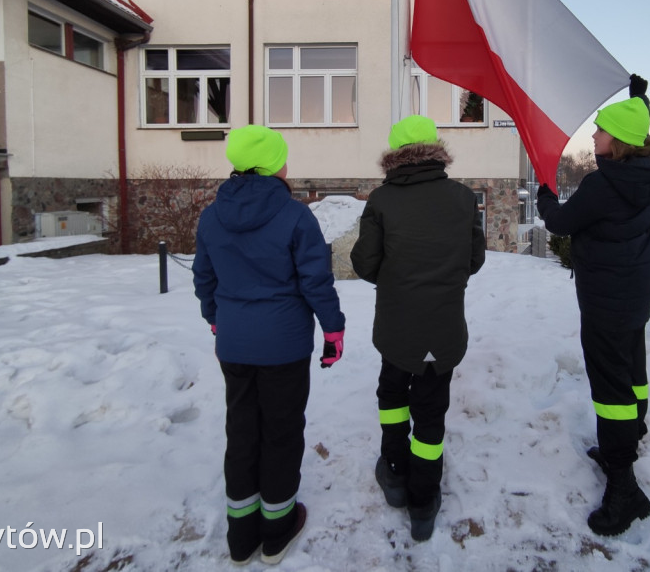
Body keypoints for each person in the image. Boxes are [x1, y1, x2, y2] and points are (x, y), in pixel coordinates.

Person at [193, 125, 346, 566]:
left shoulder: (211, 215)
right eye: (283, 158)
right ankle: (277, 530)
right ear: (273, 164)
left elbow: (205, 278)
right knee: (281, 432)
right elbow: (316, 282)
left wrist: (215, 319)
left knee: (242, 430)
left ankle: (241, 537)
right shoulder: (296, 216)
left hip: (236, 344)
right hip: (284, 347)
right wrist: (332, 331)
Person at [535, 74, 650, 537]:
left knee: (611, 388)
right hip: (635, 291)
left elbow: (561, 223)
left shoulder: (602, 185)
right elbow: (642, 127)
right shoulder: (649, 174)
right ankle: (633, 433)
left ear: (619, 142)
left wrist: (545, 196)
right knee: (632, 364)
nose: (593, 135)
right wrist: (638, 100)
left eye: (600, 129)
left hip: (606, 299)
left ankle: (623, 485)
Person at [350, 115, 486, 542]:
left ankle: (393, 473)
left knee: (392, 392)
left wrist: (397, 278)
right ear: (436, 150)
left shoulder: (382, 200)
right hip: (443, 327)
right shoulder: (463, 198)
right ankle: (424, 501)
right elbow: (474, 260)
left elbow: (364, 264)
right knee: (431, 410)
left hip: (396, 327)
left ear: (395, 155)